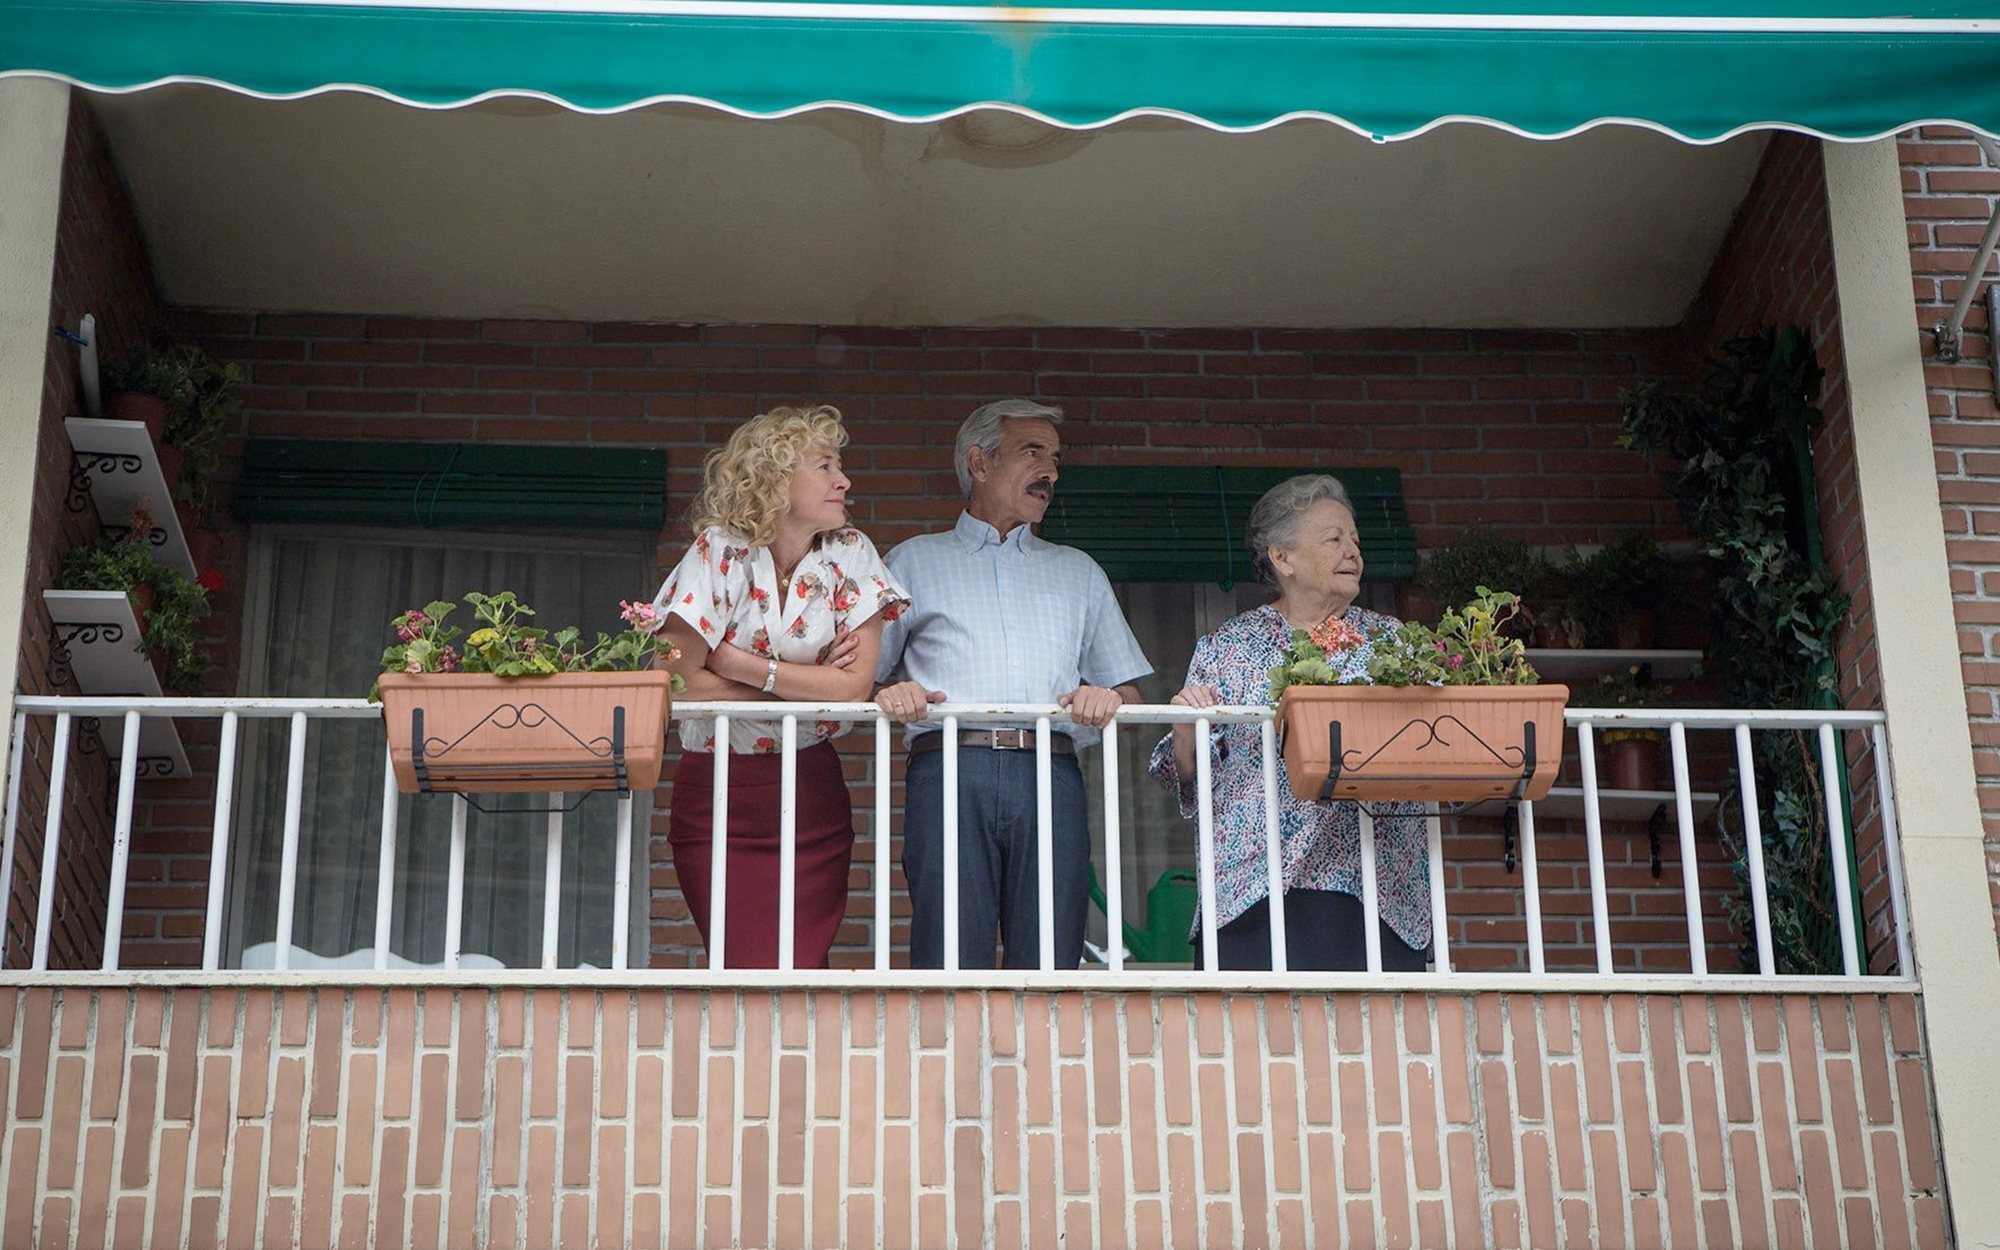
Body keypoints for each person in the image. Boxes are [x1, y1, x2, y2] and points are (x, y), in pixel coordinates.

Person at [875, 399, 1151, 970]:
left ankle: (1044, 1063)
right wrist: (887, 694)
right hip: (949, 768)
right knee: (948, 957)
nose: (1050, 471)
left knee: (1050, 957)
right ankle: (946, 1061)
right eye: (1032, 453)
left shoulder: (1079, 571)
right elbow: (858, 680)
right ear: (979, 464)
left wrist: (1107, 698)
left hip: (1051, 771)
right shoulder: (910, 562)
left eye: (1054, 457)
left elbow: (1130, 694)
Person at [653, 405, 909, 969]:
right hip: (717, 795)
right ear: (773, 477)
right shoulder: (718, 551)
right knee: (742, 971)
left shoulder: (851, 554)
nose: (843, 480)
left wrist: (740, 667)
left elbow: (853, 689)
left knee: (803, 973)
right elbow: (673, 682)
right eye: (825, 465)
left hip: (810, 793)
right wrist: (803, 689)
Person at [1147, 474, 1432, 971]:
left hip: (1378, 886)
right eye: (1334, 538)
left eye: (1356, 539)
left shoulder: (1395, 644)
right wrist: (1186, 729)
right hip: (1256, 890)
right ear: (1283, 557)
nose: (1352, 551)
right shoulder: (1228, 647)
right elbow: (1185, 774)